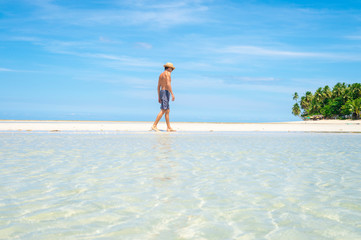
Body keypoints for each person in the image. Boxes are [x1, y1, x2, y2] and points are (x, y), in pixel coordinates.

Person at [152, 62, 176, 132]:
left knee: (167, 110)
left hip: (162, 92)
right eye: (172, 68)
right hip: (165, 92)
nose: (172, 70)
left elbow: (158, 86)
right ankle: (154, 125)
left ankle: (168, 127)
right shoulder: (168, 73)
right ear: (169, 68)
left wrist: (159, 96)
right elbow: (168, 84)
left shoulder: (161, 75)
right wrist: (172, 94)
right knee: (163, 110)